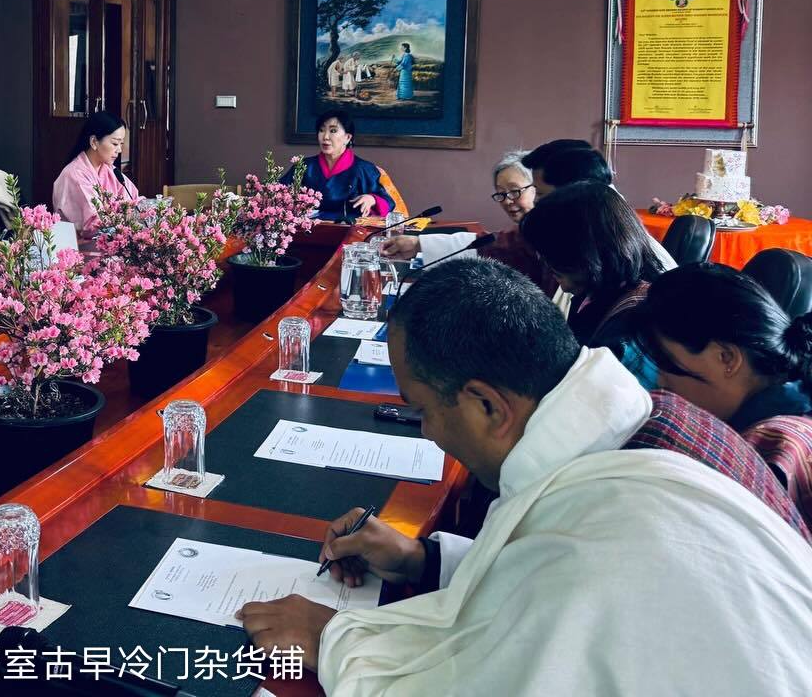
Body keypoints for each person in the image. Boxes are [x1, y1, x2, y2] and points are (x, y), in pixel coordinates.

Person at [238, 258, 812, 695]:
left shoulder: (620, 530)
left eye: (423, 410)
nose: (429, 434)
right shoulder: (644, 419)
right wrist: (424, 560)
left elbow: (502, 673)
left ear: (488, 406)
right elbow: (548, 581)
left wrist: (333, 640)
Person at [631, 263, 812, 520]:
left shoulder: (768, 451)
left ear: (727, 358)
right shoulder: (794, 405)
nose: (662, 381)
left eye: (667, 362)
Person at [518, 181, 665, 378]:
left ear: (586, 251)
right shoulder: (599, 291)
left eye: (551, 255)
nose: (545, 263)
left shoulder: (628, 328)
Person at [379, 150, 556, 294]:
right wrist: (417, 245)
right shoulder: (527, 232)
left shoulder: (552, 230)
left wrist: (418, 245)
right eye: (501, 194)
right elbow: (492, 246)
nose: (507, 201)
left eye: (515, 191)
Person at [522, 138, 678, 271]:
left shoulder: (602, 247)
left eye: (541, 194)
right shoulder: (612, 220)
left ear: (570, 194)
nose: (535, 202)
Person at [285, 108, 392, 222]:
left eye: (333, 131)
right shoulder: (304, 166)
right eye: (321, 130)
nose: (325, 137)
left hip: (349, 229)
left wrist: (372, 199)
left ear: (348, 138)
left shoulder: (364, 169)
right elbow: (280, 193)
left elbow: (388, 203)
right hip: (308, 229)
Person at [51, 111, 140, 235]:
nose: (119, 150)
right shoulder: (74, 175)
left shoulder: (110, 170)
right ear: (94, 142)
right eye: (115, 143)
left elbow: (134, 200)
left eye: (121, 144)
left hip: (109, 240)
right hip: (79, 245)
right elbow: (93, 224)